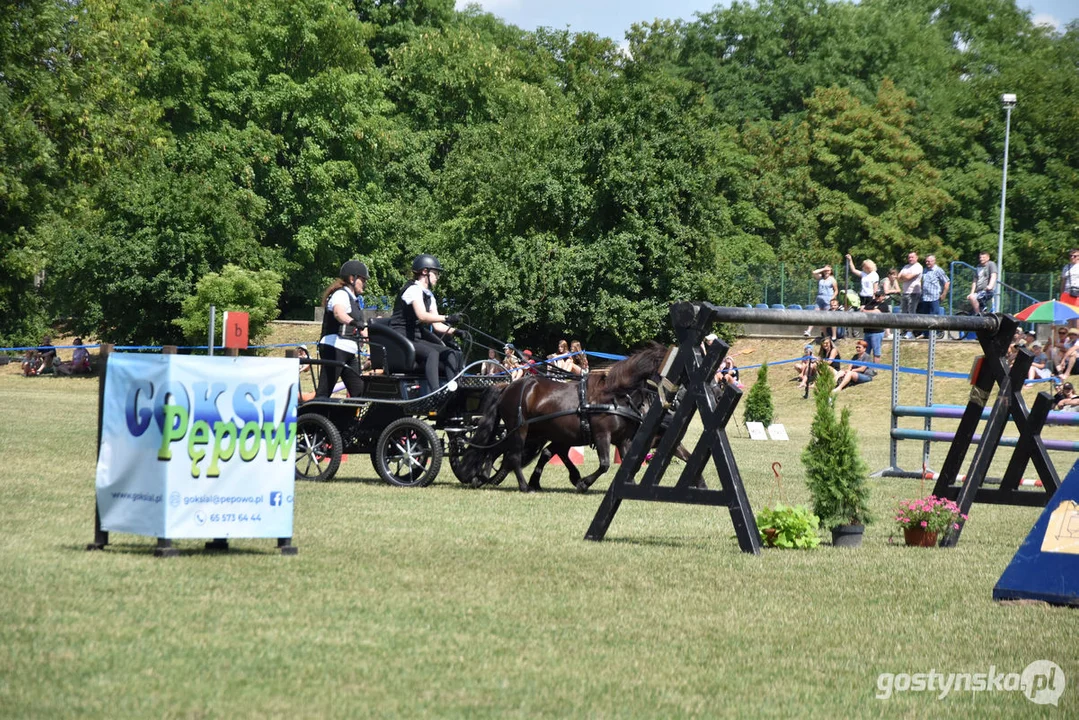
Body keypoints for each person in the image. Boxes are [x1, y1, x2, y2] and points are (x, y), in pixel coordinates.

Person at [389, 254, 466, 392]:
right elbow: (423, 316)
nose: (437, 277)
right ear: (425, 272)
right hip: (400, 337)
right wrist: (448, 317)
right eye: (435, 273)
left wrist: (456, 331)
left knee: (451, 353)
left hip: (416, 338)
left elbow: (436, 324)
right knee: (432, 353)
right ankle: (435, 393)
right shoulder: (413, 290)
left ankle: (454, 391)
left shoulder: (429, 295)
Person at [316, 260, 369, 398]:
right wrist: (353, 322)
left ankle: (347, 419)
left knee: (360, 392)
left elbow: (363, 329)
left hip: (349, 352)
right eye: (363, 280)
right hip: (334, 348)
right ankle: (310, 418)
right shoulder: (341, 294)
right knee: (324, 391)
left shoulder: (355, 301)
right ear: (352, 279)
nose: (365, 284)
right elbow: (339, 313)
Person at [917, 255, 950, 337]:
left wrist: (944, 294)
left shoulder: (938, 270)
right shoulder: (924, 270)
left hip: (934, 297)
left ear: (934, 261)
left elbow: (947, 282)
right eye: (926, 261)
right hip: (925, 297)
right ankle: (926, 334)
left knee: (934, 316)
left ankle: (938, 332)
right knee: (925, 317)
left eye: (929, 261)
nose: (927, 263)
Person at [804, 265, 838, 338]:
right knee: (815, 315)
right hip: (819, 298)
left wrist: (832, 298)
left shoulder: (832, 279)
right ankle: (809, 331)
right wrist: (824, 268)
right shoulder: (820, 278)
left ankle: (831, 335)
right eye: (825, 270)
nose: (826, 272)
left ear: (831, 271)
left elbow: (836, 290)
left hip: (828, 298)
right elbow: (814, 272)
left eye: (828, 270)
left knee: (825, 318)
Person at [897, 252, 923, 338]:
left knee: (911, 313)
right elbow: (899, 277)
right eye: (909, 257)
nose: (910, 259)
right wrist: (905, 276)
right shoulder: (906, 267)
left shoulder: (918, 267)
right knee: (903, 313)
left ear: (916, 258)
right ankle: (903, 331)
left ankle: (910, 332)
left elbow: (908, 277)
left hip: (914, 293)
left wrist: (904, 276)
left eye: (912, 257)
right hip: (905, 292)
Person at [860, 289, 887, 362]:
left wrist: (866, 311)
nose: (877, 297)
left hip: (877, 332)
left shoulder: (884, 305)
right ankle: (865, 368)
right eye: (876, 295)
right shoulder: (872, 302)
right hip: (867, 331)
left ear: (883, 296)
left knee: (876, 352)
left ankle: (874, 369)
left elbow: (876, 312)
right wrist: (867, 311)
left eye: (878, 296)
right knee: (865, 351)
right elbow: (862, 309)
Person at [967, 250, 998, 315]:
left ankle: (978, 314)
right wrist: (971, 293)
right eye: (980, 257)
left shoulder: (991, 264)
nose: (981, 259)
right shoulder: (978, 266)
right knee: (971, 297)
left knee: (974, 298)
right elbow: (975, 280)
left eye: (983, 257)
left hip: (987, 291)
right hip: (979, 291)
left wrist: (990, 286)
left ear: (988, 258)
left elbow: (994, 275)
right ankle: (979, 311)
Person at [880, 268, 901, 339]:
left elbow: (899, 290)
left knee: (888, 315)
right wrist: (894, 291)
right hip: (880, 300)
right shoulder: (886, 280)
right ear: (889, 275)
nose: (895, 277)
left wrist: (892, 291)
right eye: (893, 275)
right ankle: (886, 333)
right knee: (884, 316)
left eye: (896, 275)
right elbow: (886, 291)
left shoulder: (894, 281)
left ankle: (887, 333)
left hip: (888, 300)